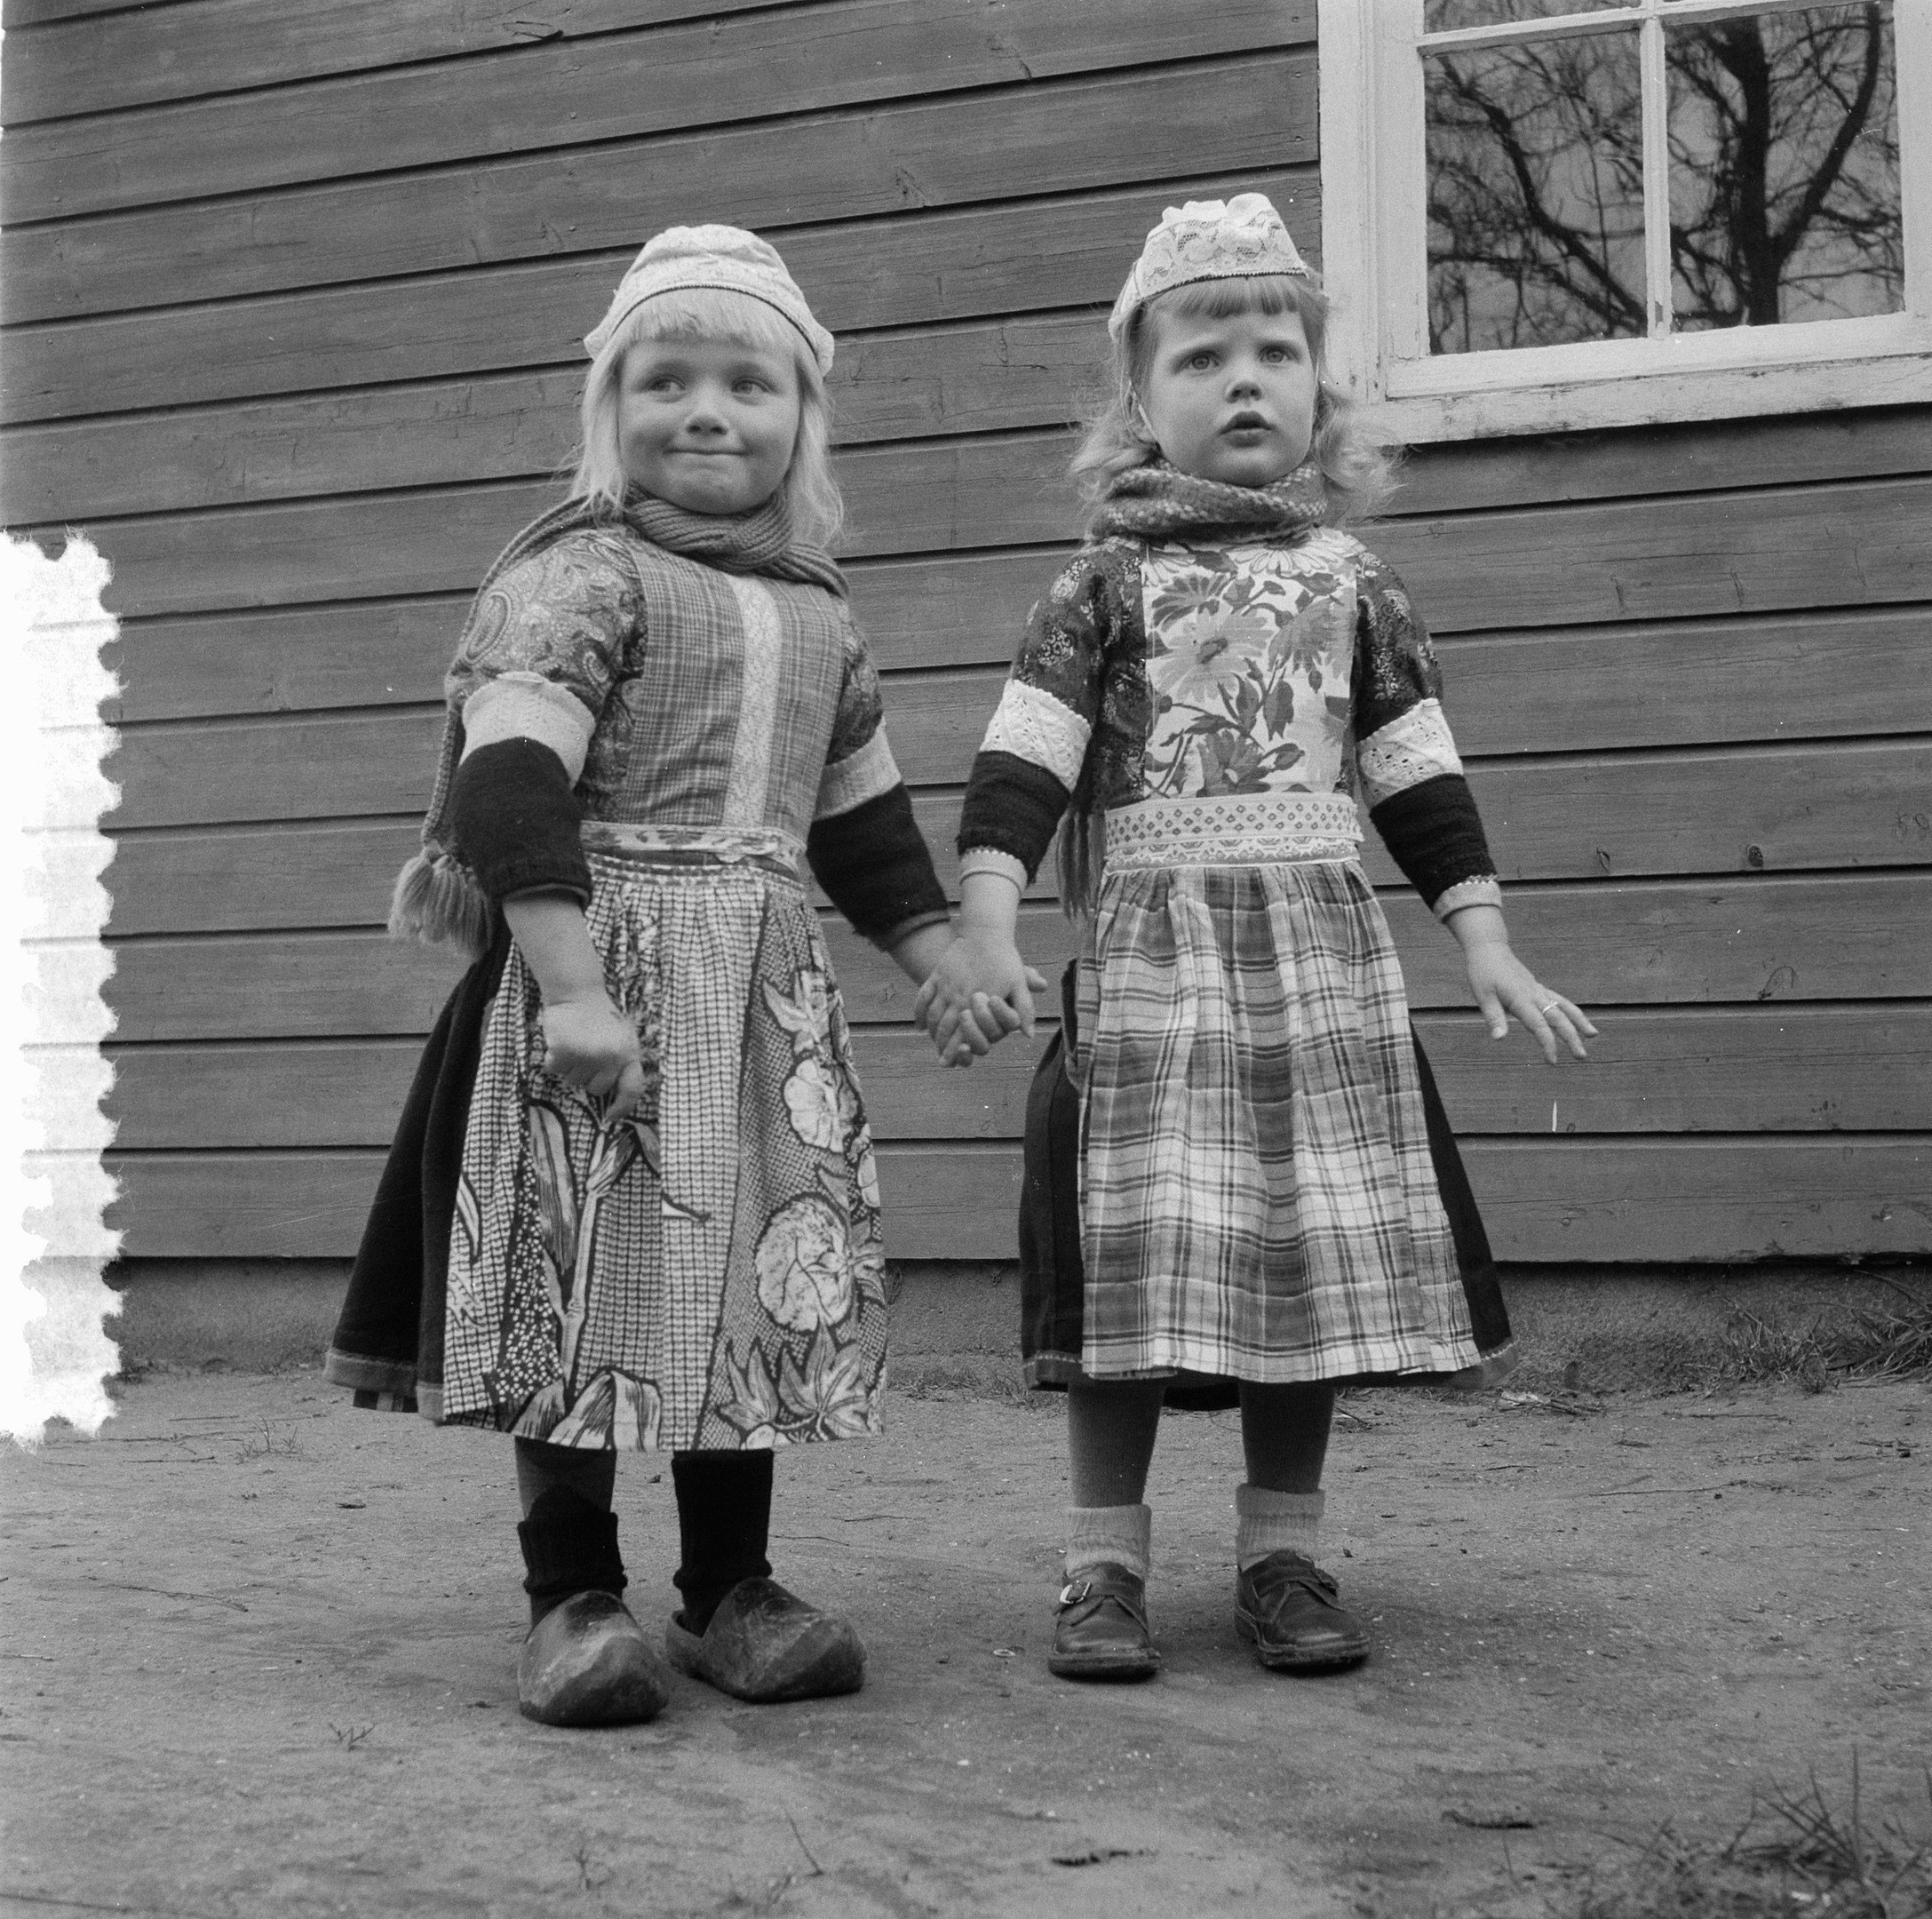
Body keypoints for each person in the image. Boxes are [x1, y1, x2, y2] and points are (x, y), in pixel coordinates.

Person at [916, 195, 1594, 1684]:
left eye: (1276, 351)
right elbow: (1023, 762)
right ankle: (1102, 1566)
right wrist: (984, 917)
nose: (1244, 378)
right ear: (1140, 405)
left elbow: (1417, 771)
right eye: (1204, 355)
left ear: (1321, 393)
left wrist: (1484, 938)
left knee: (1309, 1263)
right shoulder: (1102, 585)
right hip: (1158, 971)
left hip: (1319, 968)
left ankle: (1282, 1551)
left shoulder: (1354, 586)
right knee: (1139, 1265)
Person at [325, 225, 961, 1726]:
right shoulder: (581, 579)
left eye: (749, 381)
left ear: (803, 417)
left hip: (761, 995)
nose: (706, 409)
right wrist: (572, 992)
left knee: (749, 1276)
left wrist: (937, 954)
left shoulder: (820, 611)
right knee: (584, 1283)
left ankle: (729, 1593)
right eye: (663, 378)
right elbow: (507, 787)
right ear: (610, 409)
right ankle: (573, 1598)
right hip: (594, 986)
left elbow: (860, 826)